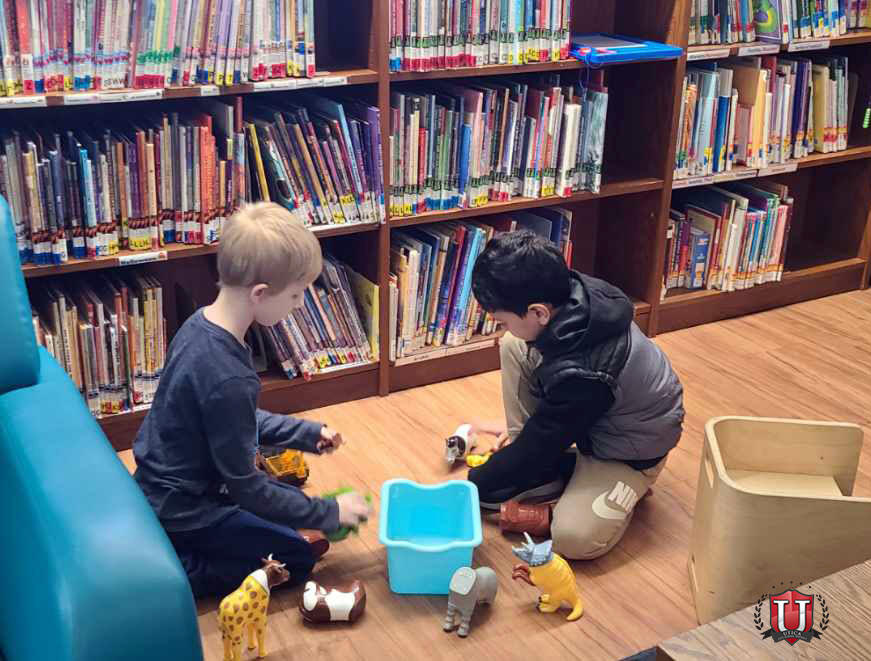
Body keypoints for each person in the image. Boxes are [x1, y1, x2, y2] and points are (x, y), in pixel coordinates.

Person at [133, 202, 372, 598]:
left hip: (162, 489)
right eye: (295, 295)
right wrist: (330, 513)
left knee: (287, 507)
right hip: (187, 510)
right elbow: (247, 487)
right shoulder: (229, 374)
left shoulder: (199, 325)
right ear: (259, 294)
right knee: (295, 558)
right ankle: (171, 574)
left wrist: (305, 433)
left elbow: (236, 420)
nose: (300, 305)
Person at [467, 230, 684, 560]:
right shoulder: (570, 289)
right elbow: (552, 424)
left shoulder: (584, 376)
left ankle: (628, 484)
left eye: (503, 320)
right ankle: (546, 470)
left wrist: (473, 484)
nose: (502, 327)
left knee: (572, 538)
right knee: (514, 345)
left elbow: (546, 436)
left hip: (628, 451)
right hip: (596, 417)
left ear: (539, 313)